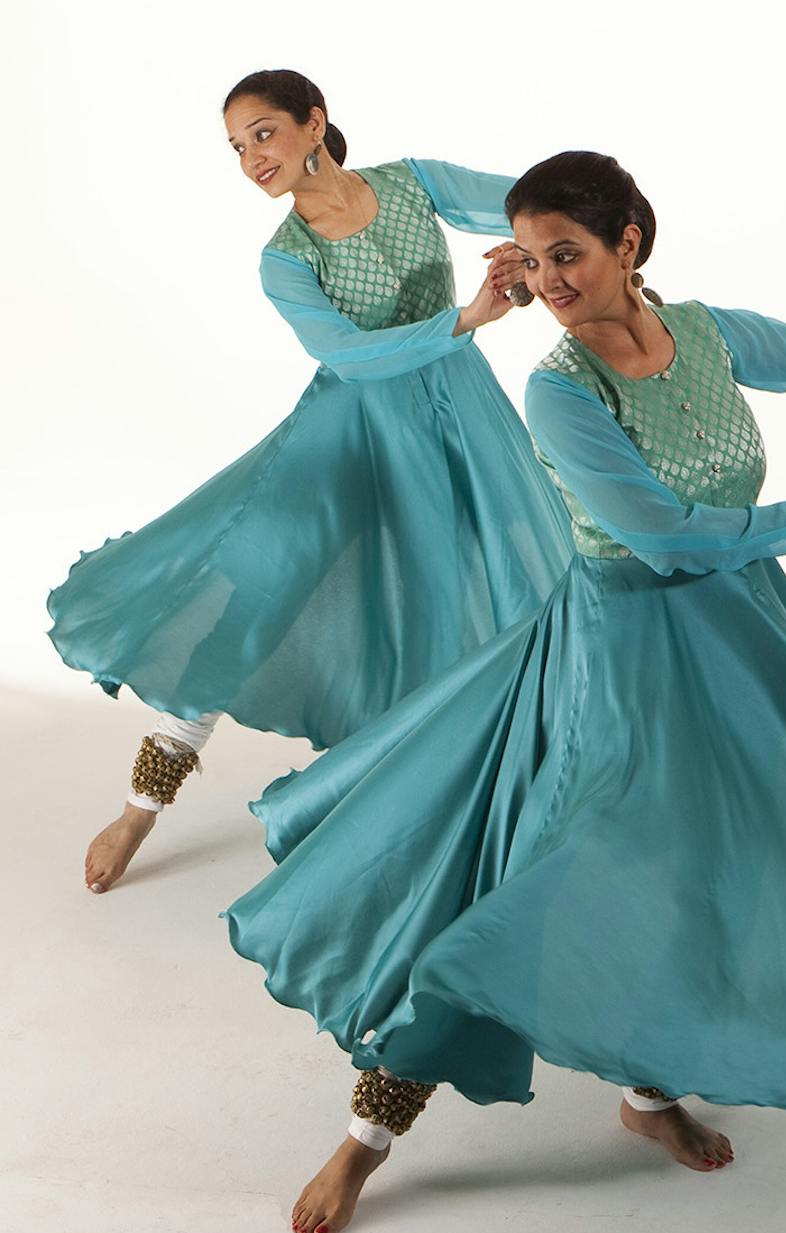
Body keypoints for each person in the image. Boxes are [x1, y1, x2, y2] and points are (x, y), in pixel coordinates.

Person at [224, 151, 786, 1233]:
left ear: (631, 241)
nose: (547, 281)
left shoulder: (711, 333)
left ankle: (646, 1089)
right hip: (620, 653)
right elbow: (665, 538)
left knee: (716, 865)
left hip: (744, 631)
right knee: (532, 879)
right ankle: (369, 1134)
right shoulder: (557, 390)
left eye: (567, 253)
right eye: (530, 261)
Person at [52, 69, 570, 892]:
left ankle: (515, 794)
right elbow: (347, 356)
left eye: (263, 132)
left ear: (314, 122)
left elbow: (533, 205)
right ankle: (138, 807)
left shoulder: (414, 183)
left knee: (507, 592)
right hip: (346, 437)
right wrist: (468, 317)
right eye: (236, 147)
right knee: (255, 593)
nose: (252, 157)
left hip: (462, 422)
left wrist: (539, 252)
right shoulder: (283, 258)